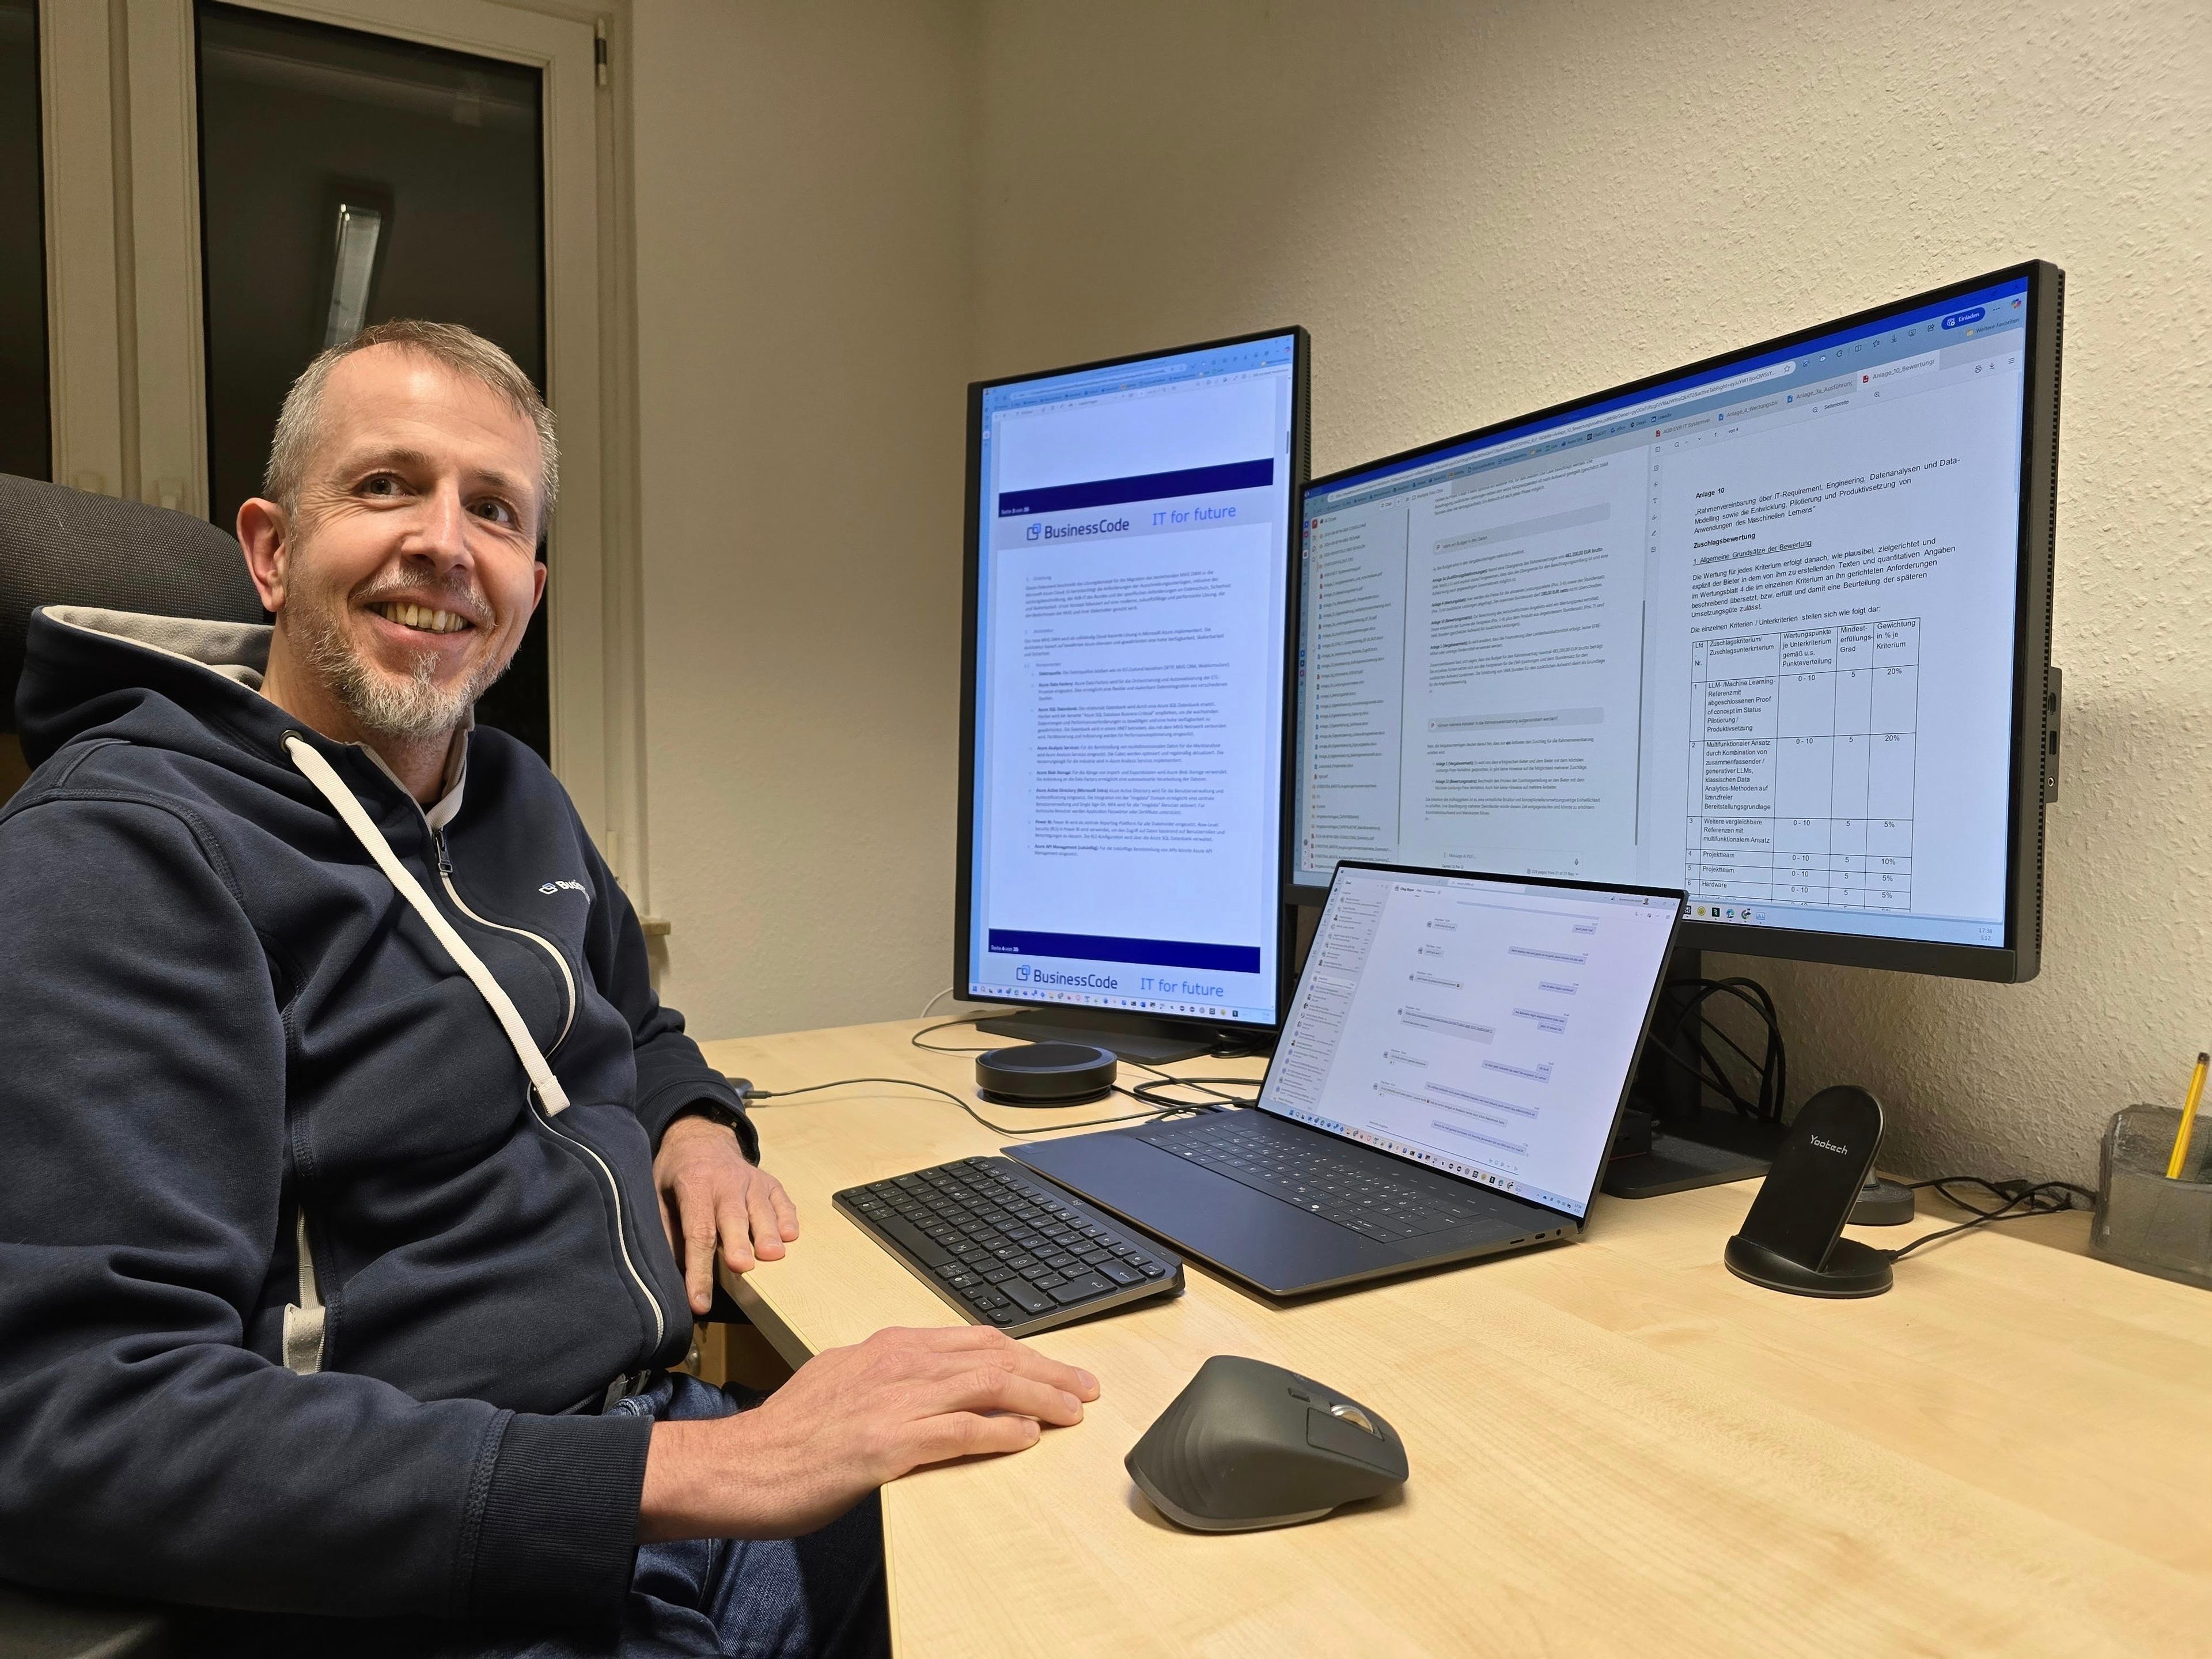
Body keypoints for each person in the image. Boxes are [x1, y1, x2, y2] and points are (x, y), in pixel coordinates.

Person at [0, 321, 1097, 1657]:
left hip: (658, 1454)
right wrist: (716, 1476)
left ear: (530, 580)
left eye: (495, 511)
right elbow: (76, 1419)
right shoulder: (124, 852)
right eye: (387, 485)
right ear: (272, 551)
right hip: (442, 1577)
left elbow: (637, 1022)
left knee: (1069, 1532)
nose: (445, 545)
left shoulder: (516, 793)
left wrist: (695, 1126)